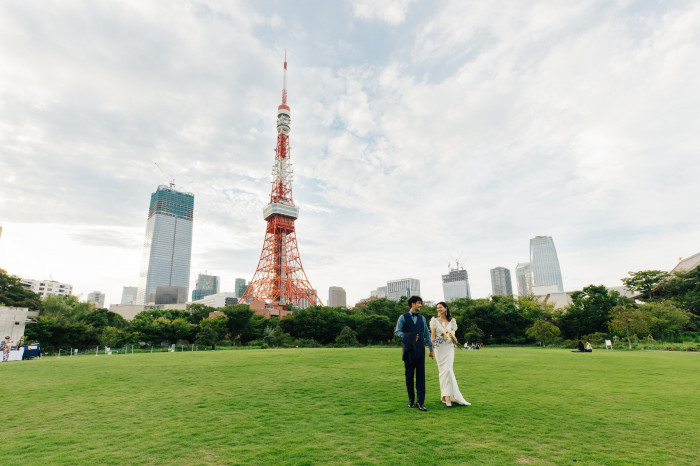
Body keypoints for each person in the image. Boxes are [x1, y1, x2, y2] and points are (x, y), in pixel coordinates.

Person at [395, 296, 434, 412]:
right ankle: (411, 400)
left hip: (420, 350)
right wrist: (409, 336)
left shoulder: (422, 319)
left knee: (421, 377)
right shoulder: (403, 317)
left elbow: (427, 334)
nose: (421, 305)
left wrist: (431, 349)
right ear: (412, 304)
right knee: (409, 377)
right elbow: (397, 332)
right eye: (419, 303)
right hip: (409, 350)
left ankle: (420, 402)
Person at [430, 302, 470, 407]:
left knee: (448, 369)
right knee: (443, 372)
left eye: (440, 307)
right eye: (437, 308)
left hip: (449, 348)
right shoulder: (434, 321)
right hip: (439, 348)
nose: (438, 309)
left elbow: (455, 339)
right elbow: (433, 337)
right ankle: (444, 396)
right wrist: (433, 347)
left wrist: (450, 336)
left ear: (446, 308)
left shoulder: (452, 321)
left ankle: (447, 397)